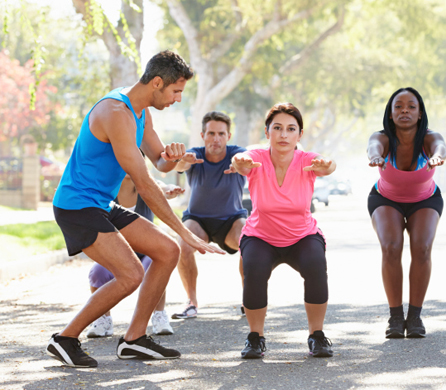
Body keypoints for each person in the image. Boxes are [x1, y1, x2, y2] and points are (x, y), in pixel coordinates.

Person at [47, 50, 225, 368]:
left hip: (100, 203)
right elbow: (143, 182)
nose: (178, 99)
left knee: (167, 251)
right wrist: (186, 232)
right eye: (176, 91)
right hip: (77, 205)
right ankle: (65, 338)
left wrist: (173, 158)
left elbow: (158, 161)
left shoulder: (142, 112)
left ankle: (134, 339)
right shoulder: (115, 112)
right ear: (157, 82)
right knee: (129, 274)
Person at [231, 103, 336, 359]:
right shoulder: (256, 157)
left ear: (300, 134)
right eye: (277, 128)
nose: (284, 135)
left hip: (302, 235)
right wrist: (239, 161)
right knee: (253, 268)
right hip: (261, 236)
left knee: (315, 263)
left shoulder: (307, 160)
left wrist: (327, 166)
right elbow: (241, 161)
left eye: (291, 129)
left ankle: (317, 335)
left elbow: (328, 165)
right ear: (267, 132)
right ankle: (255, 337)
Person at [367, 87, 446, 339]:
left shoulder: (429, 138)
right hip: (385, 198)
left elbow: (441, 147)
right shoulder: (383, 138)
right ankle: (395, 316)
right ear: (390, 114)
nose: (404, 111)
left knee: (421, 248)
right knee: (391, 247)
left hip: (425, 199)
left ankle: (414, 316)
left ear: (420, 113)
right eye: (398, 106)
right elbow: (373, 147)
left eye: (411, 106)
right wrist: (375, 157)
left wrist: (437, 157)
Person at [86, 174, 184, 338]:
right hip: (117, 252)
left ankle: (159, 315)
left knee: (156, 267)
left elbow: (162, 188)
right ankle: (103, 319)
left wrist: (170, 190)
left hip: (146, 251)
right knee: (97, 273)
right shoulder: (108, 189)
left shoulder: (145, 185)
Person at [171, 111, 247, 319]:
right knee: (182, 244)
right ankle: (191, 303)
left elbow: (246, 162)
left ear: (228, 136)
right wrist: (180, 160)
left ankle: (249, 300)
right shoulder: (194, 155)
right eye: (211, 133)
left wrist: (240, 164)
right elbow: (180, 165)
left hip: (231, 221)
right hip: (198, 221)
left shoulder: (238, 153)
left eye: (221, 134)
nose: (216, 139)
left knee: (250, 242)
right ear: (203, 134)